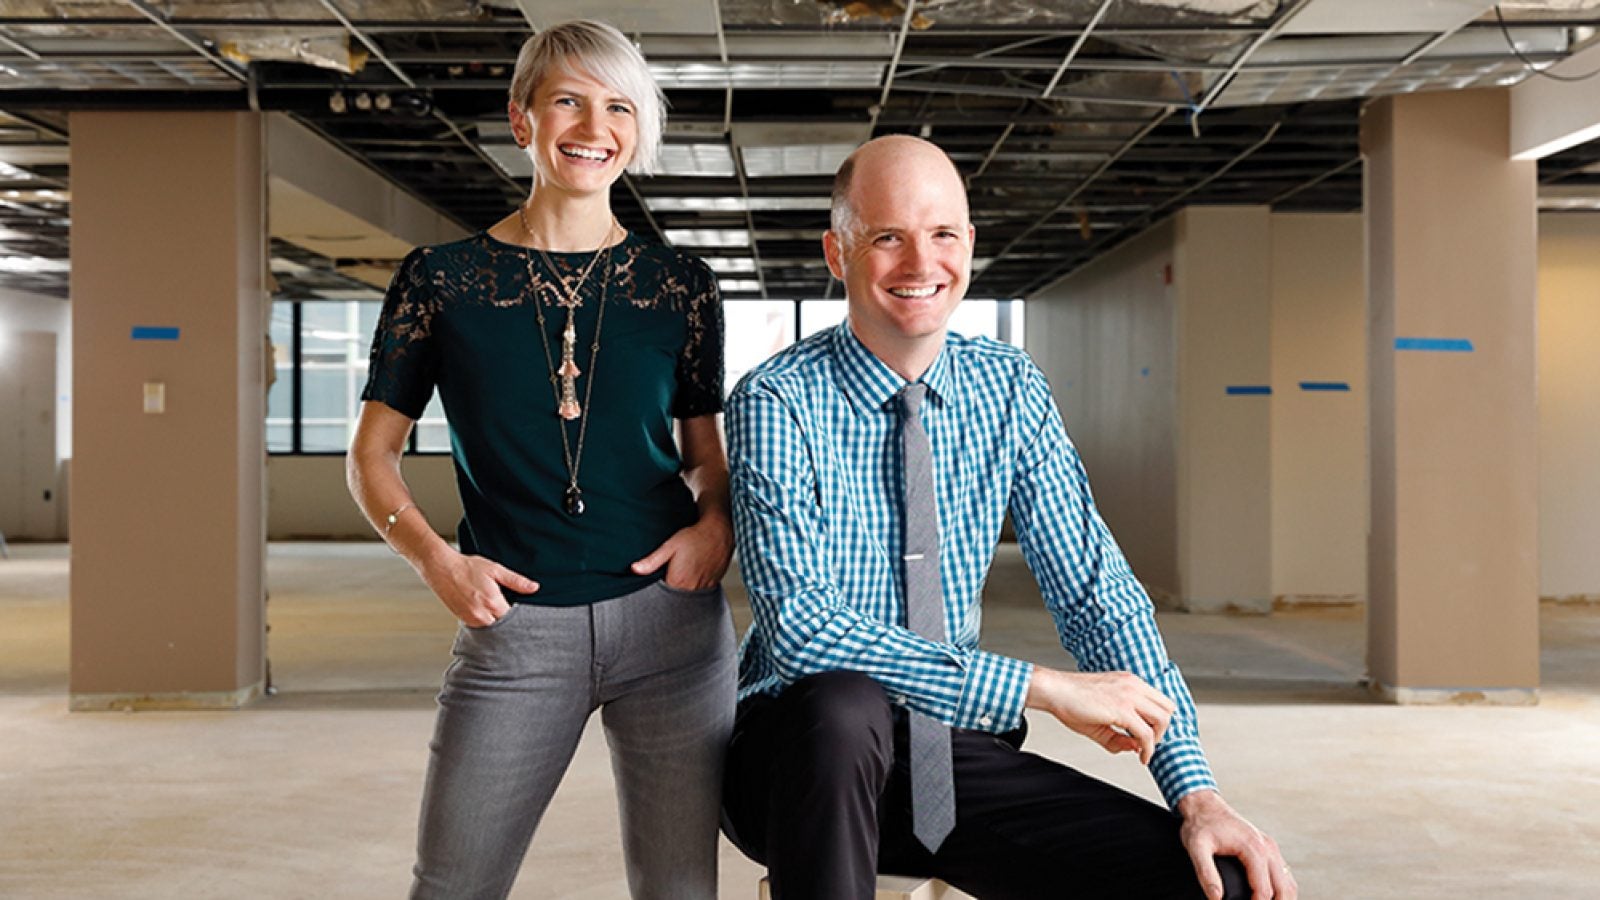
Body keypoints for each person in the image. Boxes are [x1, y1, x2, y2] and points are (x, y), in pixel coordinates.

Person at [719, 135, 1296, 900]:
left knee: (1222, 884)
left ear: (970, 245)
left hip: (945, 761)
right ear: (838, 253)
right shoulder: (776, 400)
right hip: (795, 766)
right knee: (842, 700)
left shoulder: (1011, 390)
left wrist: (1196, 792)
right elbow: (801, 626)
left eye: (942, 234)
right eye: (887, 237)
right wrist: (1043, 688)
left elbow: (1095, 592)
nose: (920, 264)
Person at [347, 20, 734, 900]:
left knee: (680, 890)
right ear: (523, 118)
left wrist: (715, 527)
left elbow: (705, 457)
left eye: (618, 107)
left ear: (636, 134)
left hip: (672, 625)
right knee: (453, 885)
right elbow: (371, 456)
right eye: (569, 99)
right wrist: (435, 560)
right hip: (514, 629)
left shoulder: (682, 286)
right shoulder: (440, 281)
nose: (593, 125)